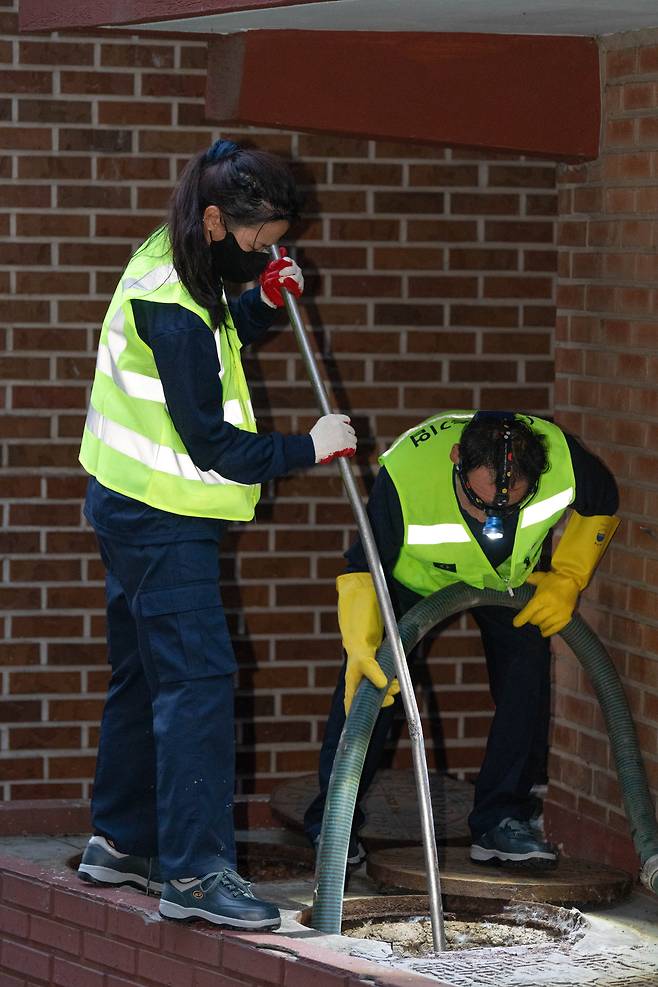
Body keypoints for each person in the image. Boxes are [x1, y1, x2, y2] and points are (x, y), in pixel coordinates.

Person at [76, 138, 357, 930]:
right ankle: (196, 875)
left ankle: (123, 843)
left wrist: (264, 300)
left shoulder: (174, 256)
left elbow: (217, 333)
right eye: (258, 242)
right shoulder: (171, 304)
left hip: (126, 504)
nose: (264, 252)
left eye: (274, 244)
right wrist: (312, 444)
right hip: (162, 518)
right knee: (198, 684)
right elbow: (215, 445)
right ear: (213, 219)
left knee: (144, 675)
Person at [303, 410, 619, 867]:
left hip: (507, 578)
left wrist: (568, 577)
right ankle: (332, 823)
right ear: (456, 460)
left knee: (525, 679)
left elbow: (603, 499)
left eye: (510, 505)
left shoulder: (562, 458)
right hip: (414, 580)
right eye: (480, 500)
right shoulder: (407, 472)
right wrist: (359, 643)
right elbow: (361, 566)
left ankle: (500, 820)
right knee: (371, 689)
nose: (495, 517)